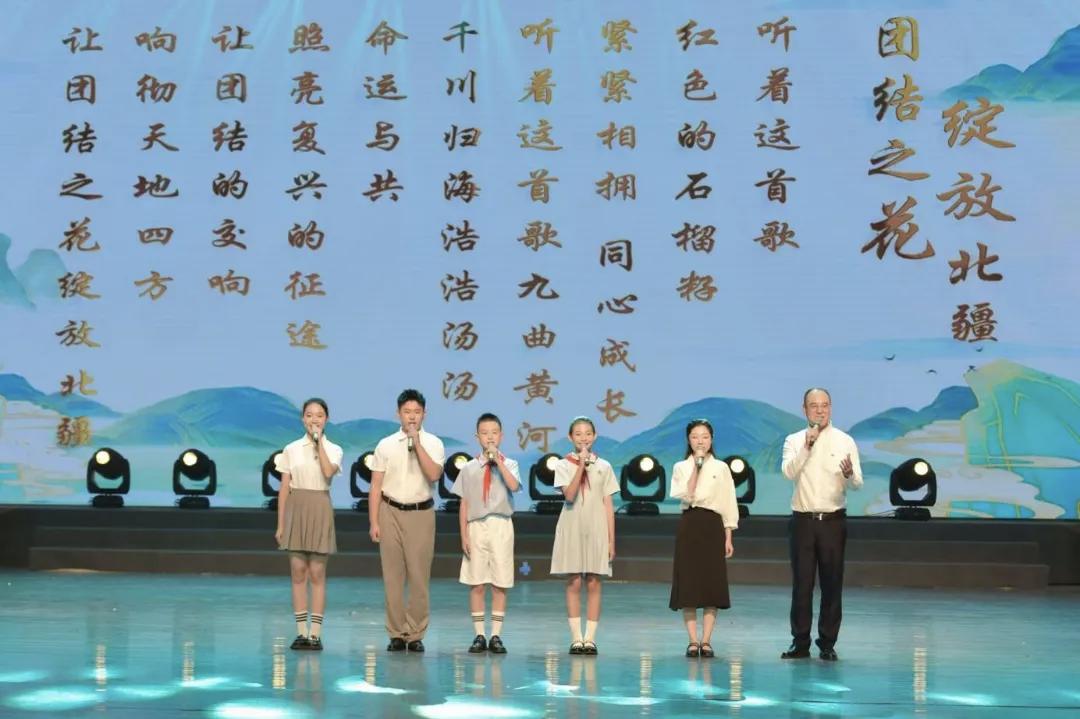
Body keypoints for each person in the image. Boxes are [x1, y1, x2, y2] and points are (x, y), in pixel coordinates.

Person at [780, 388, 863, 661]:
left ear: (831, 407)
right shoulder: (794, 440)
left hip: (832, 521)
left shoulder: (845, 440)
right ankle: (800, 642)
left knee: (832, 584)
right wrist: (807, 446)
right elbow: (788, 472)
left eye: (824, 405)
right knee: (802, 584)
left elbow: (857, 483)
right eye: (814, 405)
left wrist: (849, 475)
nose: (820, 410)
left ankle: (827, 643)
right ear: (804, 409)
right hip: (803, 521)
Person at [369, 389, 445, 653]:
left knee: (418, 576)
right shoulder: (385, 444)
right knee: (392, 576)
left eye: (417, 412)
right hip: (389, 511)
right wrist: (374, 521)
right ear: (398, 414)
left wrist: (417, 443)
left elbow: (434, 475)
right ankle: (396, 633)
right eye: (407, 412)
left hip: (421, 513)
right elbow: (375, 485)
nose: (412, 417)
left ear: (424, 414)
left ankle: (415, 634)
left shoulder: (434, 443)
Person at [274, 398, 343, 651]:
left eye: (320, 415)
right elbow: (284, 488)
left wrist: (318, 443)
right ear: (303, 418)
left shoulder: (334, 449)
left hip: (320, 506)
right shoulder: (291, 449)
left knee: (317, 573)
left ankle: (315, 634)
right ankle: (301, 632)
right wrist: (281, 524)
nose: (314, 419)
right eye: (310, 415)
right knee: (298, 572)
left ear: (326, 419)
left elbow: (327, 472)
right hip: (296, 507)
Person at [451, 412, 521, 654]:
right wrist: (464, 535)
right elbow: (464, 503)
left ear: (501, 436)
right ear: (477, 437)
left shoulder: (510, 464)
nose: (489, 437)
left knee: (500, 583)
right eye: (484, 433)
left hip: (501, 525)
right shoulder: (469, 468)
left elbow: (514, 486)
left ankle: (496, 635)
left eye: (494, 433)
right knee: (477, 582)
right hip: (476, 527)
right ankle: (479, 634)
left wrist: (498, 462)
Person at [669, 419, 738, 659]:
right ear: (689, 440)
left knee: (711, 584)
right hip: (690, 523)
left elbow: (729, 502)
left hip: (713, 525)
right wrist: (696, 468)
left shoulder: (721, 467)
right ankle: (692, 640)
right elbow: (684, 494)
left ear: (712, 439)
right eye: (695, 437)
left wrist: (728, 535)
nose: (700, 441)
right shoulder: (681, 466)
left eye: (705, 437)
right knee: (688, 583)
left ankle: (706, 640)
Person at [550, 416, 618, 656]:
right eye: (578, 434)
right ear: (570, 437)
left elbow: (608, 505)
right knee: (574, 581)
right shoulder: (562, 465)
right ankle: (576, 638)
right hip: (572, 525)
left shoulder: (604, 466)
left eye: (588, 433)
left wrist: (611, 540)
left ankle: (590, 638)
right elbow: (569, 495)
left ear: (594, 436)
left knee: (594, 581)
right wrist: (580, 465)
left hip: (597, 527)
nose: (583, 438)